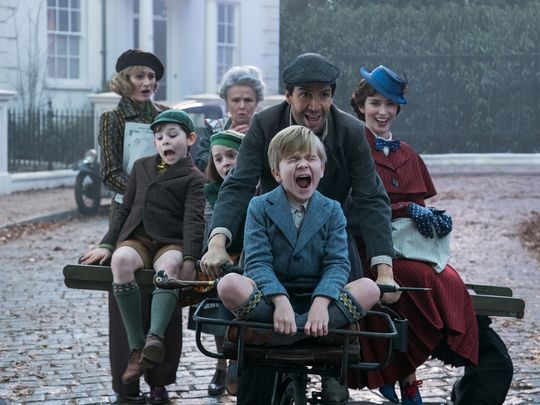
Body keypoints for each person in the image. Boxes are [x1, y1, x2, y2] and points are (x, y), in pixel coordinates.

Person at [201, 52, 396, 405]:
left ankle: (335, 370)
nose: (315, 105)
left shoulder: (351, 132)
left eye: (324, 95)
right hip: (271, 236)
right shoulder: (264, 124)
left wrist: (384, 269)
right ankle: (252, 361)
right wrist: (218, 242)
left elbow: (371, 198)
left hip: (329, 238)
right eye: (305, 94)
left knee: (352, 301)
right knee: (251, 339)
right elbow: (239, 184)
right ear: (289, 95)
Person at [348, 65, 482, 404]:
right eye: (375, 103)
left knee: (448, 279)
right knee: (413, 280)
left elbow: (419, 203)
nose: (382, 112)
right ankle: (404, 378)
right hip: (365, 247)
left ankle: (402, 369)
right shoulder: (352, 146)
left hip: (408, 247)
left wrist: (428, 218)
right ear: (361, 106)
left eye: (390, 104)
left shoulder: (407, 153)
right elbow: (351, 206)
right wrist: (404, 209)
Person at [217, 125, 381, 402]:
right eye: (293, 159)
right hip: (271, 301)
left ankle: (286, 333)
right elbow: (257, 262)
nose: (303, 164)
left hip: (320, 302)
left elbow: (337, 264)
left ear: (322, 169)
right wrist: (280, 301)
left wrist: (321, 302)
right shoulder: (259, 206)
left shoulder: (332, 209)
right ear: (276, 173)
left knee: (369, 288)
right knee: (229, 284)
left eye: (310, 158)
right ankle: (309, 332)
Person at [81, 109, 205, 402]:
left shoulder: (193, 177)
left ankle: (155, 338)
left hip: (169, 242)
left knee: (169, 268)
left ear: (190, 139)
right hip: (137, 237)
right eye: (159, 137)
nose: (165, 142)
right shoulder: (141, 167)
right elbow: (124, 209)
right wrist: (107, 244)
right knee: (121, 261)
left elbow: (193, 220)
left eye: (172, 135)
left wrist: (189, 258)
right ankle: (138, 346)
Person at [97, 49, 179, 405]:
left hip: (166, 218)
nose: (146, 83)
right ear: (124, 80)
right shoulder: (113, 119)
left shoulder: (167, 116)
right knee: (125, 297)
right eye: (139, 76)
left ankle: (160, 381)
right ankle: (126, 385)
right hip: (128, 217)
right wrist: (144, 189)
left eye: (151, 77)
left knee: (166, 289)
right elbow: (109, 172)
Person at [197, 129, 245, 397]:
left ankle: (239, 357)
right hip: (220, 257)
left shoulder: (256, 188)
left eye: (231, 156)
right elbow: (208, 226)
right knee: (216, 295)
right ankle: (221, 364)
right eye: (218, 159)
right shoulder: (211, 192)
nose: (225, 163)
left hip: (247, 257)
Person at [193, 65, 266, 172]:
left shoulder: (266, 129)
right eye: (235, 100)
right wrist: (224, 143)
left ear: (256, 102)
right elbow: (201, 164)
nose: (242, 106)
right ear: (226, 102)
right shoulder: (213, 129)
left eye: (248, 100)